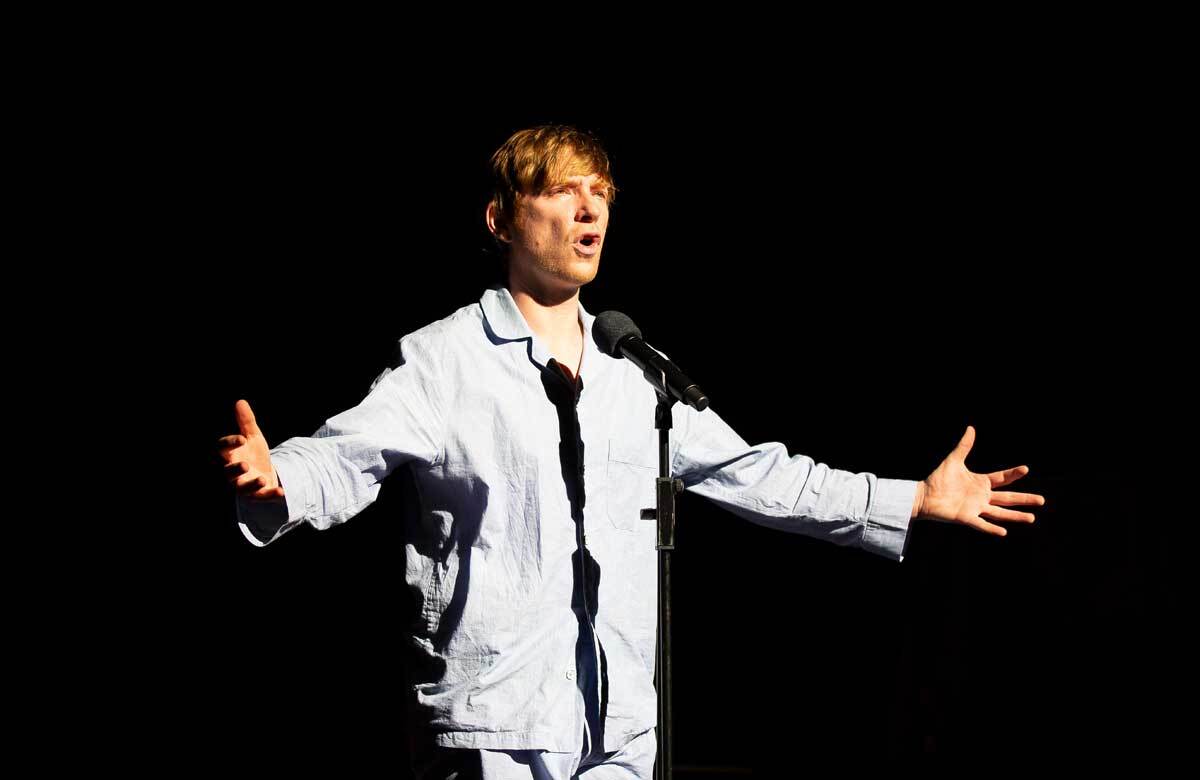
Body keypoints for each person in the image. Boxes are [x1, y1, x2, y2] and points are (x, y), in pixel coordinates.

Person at [217, 125, 1045, 779]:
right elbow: (343, 455)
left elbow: (759, 474)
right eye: (562, 191)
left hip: (619, 732)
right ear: (500, 217)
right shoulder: (445, 361)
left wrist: (911, 499)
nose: (590, 210)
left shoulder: (633, 370)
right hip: (495, 726)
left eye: (601, 193)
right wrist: (277, 477)